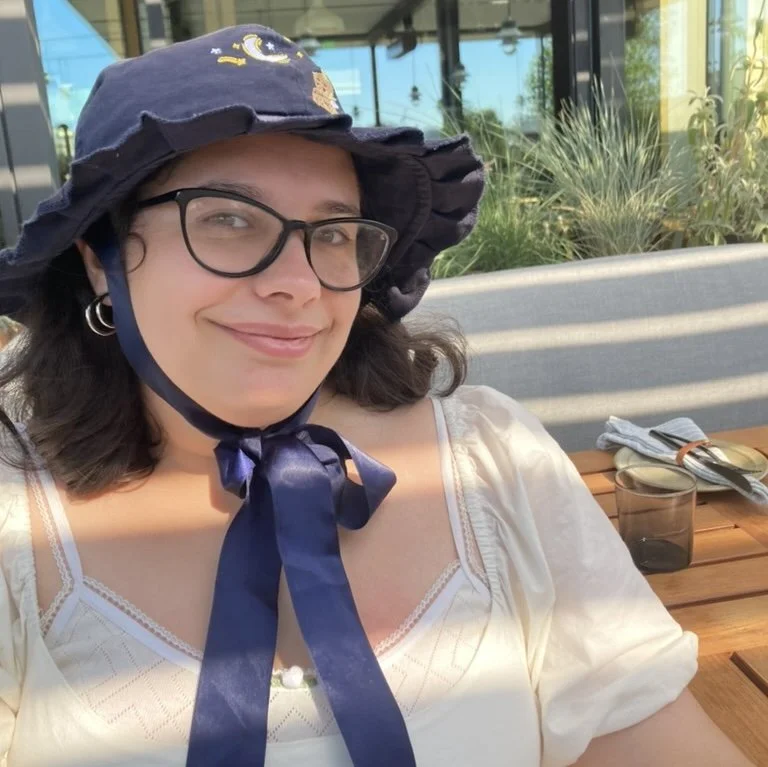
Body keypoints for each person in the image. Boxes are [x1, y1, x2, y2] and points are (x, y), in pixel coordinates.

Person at [0, 24, 754, 767]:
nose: (299, 284)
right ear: (100, 260)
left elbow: (649, 738)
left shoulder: (493, 462)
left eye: (333, 234)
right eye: (228, 219)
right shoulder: (16, 522)